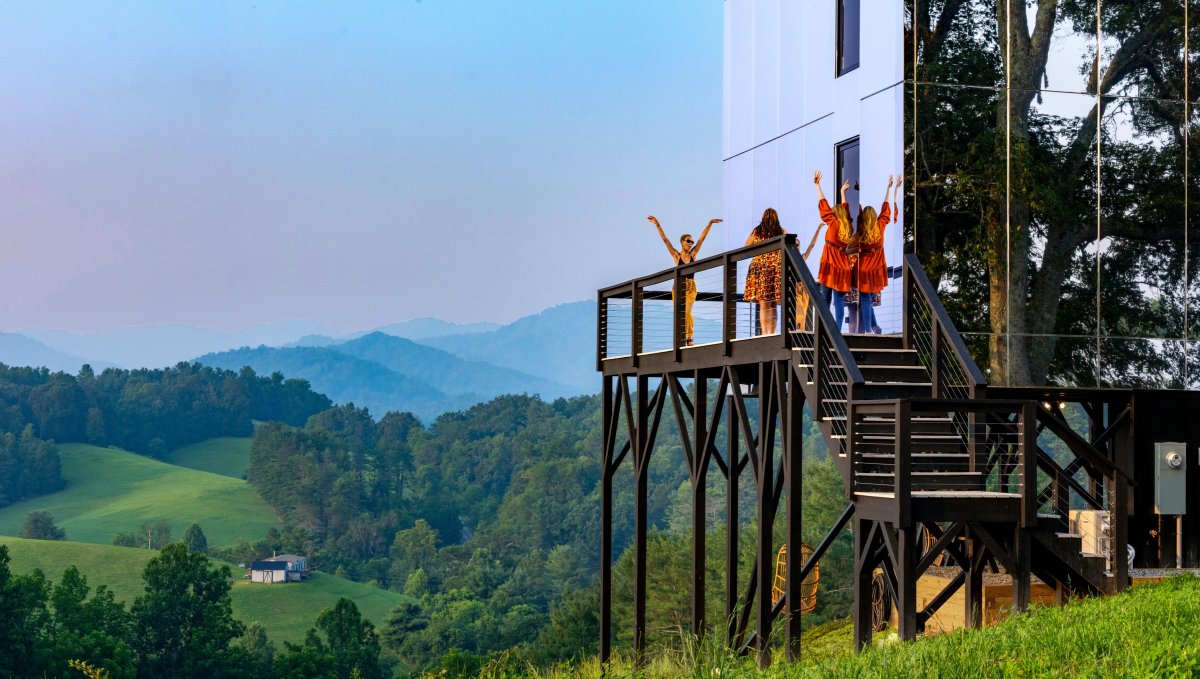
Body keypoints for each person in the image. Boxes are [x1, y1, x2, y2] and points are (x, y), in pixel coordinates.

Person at [650, 215, 721, 346]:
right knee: (680, 313)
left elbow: (702, 239)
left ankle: (689, 337)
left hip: (690, 286)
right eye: (688, 241)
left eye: (691, 242)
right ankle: (685, 338)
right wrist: (657, 224)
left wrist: (710, 223)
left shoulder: (693, 254)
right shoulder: (676, 255)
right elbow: (665, 240)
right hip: (678, 287)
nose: (690, 244)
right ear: (682, 242)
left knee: (687, 312)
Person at [855, 175, 899, 334]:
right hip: (877, 268)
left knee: (865, 299)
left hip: (864, 268)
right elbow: (886, 209)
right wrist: (890, 188)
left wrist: (855, 195)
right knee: (868, 299)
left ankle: (868, 328)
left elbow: (857, 211)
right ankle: (874, 326)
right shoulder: (880, 226)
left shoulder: (861, 229)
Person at [814, 171, 855, 329]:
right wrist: (842, 193)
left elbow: (823, 205)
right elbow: (845, 210)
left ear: (835, 214)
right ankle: (837, 331)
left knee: (825, 299)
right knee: (839, 302)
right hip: (842, 267)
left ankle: (822, 329)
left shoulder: (833, 223)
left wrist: (817, 186)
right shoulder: (848, 227)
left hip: (830, 265)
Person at [744, 208, 789, 335]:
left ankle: (765, 333)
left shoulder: (757, 231)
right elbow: (789, 246)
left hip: (760, 268)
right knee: (773, 303)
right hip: (775, 268)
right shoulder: (781, 231)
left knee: (764, 303)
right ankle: (772, 332)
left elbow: (746, 245)